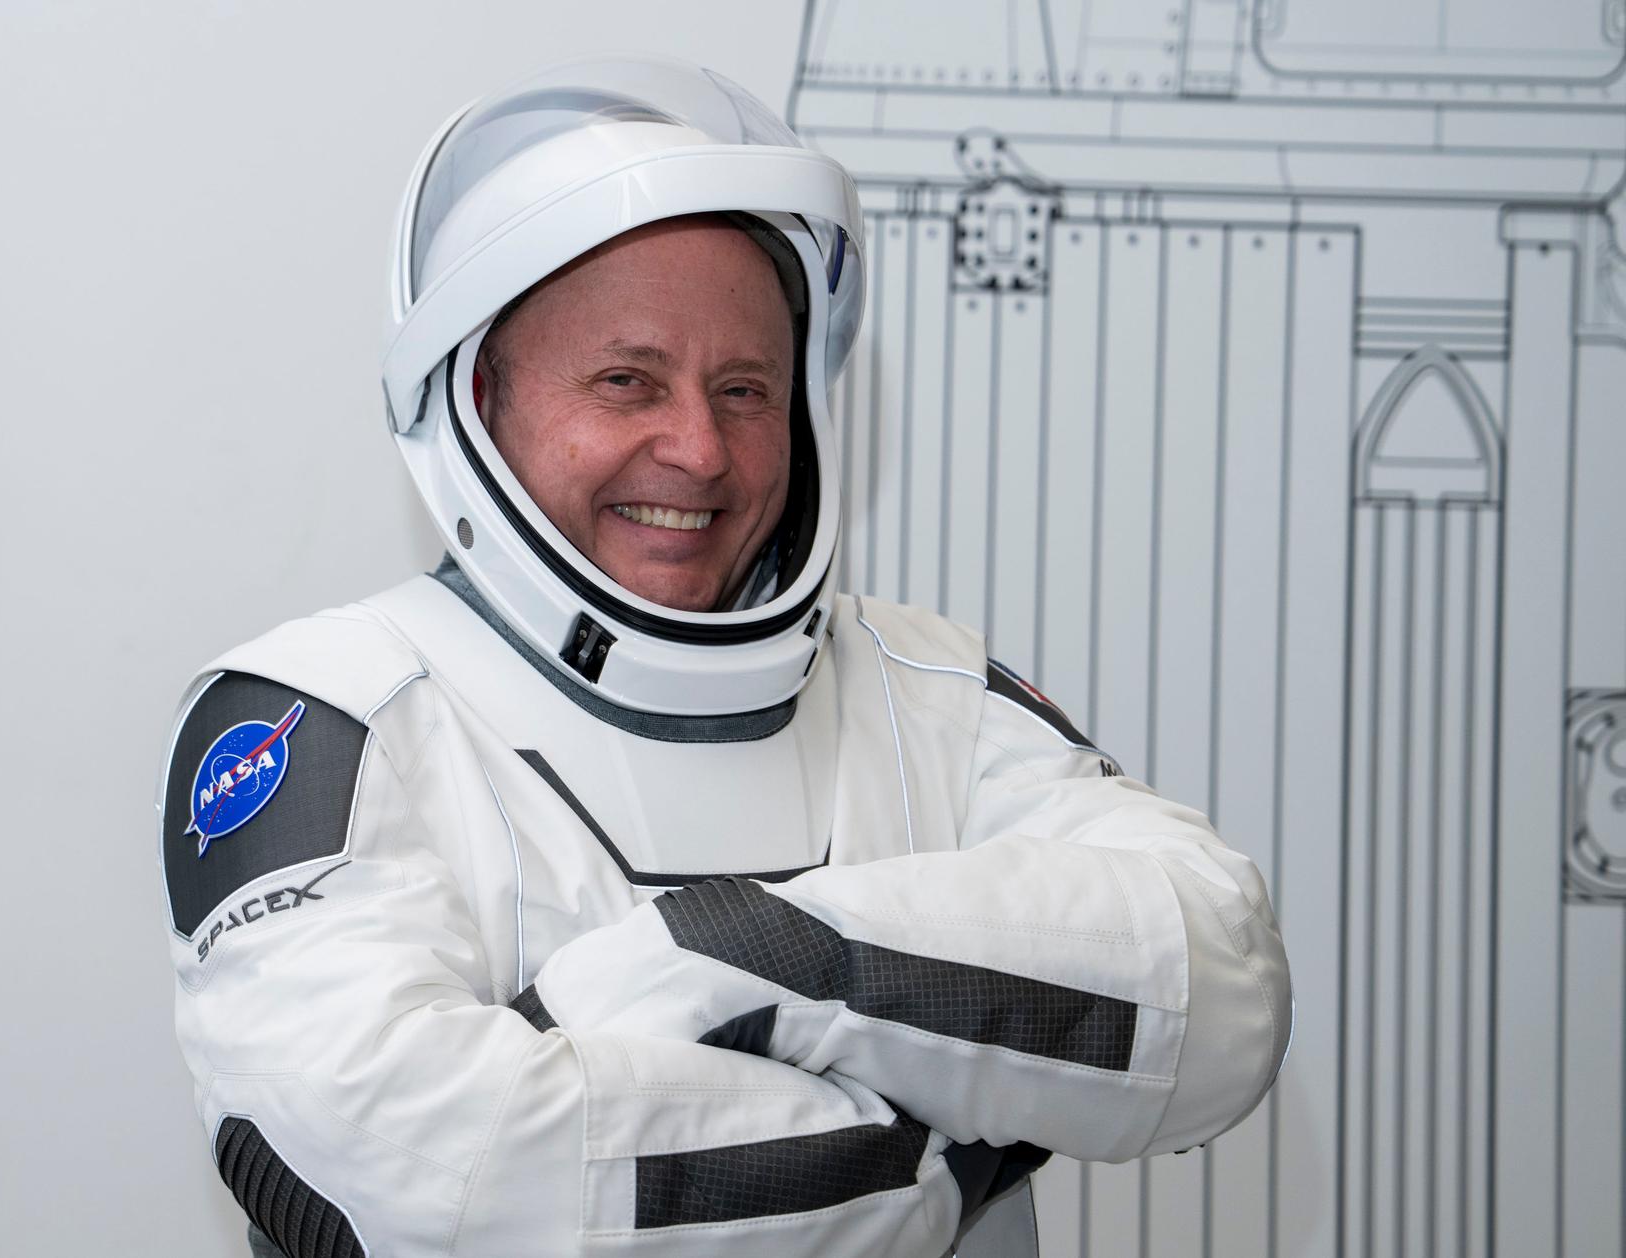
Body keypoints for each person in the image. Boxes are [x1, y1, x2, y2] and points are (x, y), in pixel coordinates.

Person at [156, 57, 1291, 1258]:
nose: (698, 449)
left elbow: (1216, 995)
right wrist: (951, 1152)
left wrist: (741, 961)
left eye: (744, 388)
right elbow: (429, 1184)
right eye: (626, 380)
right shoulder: (330, 713)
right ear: (480, 401)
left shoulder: (927, 688)